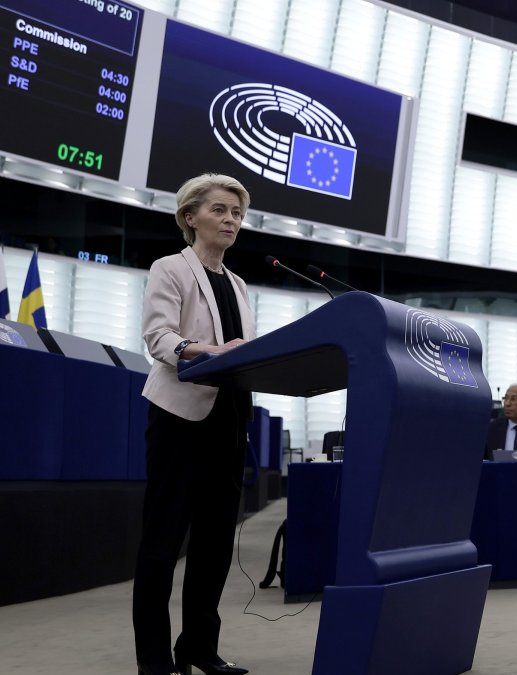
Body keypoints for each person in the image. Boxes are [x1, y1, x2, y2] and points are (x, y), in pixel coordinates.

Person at [133, 174, 255, 675]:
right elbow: (159, 337)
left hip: (229, 420)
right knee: (162, 546)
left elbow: (246, 350)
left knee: (215, 545)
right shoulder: (170, 269)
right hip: (180, 419)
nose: (231, 221)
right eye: (221, 211)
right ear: (190, 217)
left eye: (237, 214)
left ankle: (198, 649)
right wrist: (202, 349)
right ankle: (155, 662)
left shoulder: (241, 284)